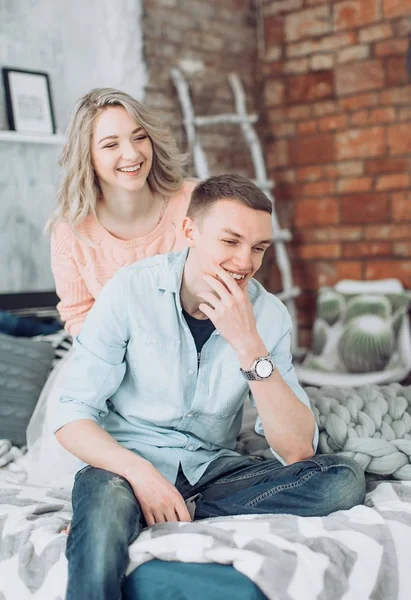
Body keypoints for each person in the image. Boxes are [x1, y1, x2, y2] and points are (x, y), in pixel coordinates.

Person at [53, 174, 366, 600]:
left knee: (342, 478)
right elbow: (70, 414)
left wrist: (248, 344)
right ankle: (131, 507)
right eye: (231, 241)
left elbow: (297, 451)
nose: (245, 262)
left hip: (210, 470)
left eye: (258, 248)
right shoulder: (129, 290)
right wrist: (141, 475)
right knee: (105, 502)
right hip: (125, 467)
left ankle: (168, 511)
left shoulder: (269, 316)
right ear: (189, 231)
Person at [25, 88, 196, 487]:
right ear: (88, 156)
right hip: (109, 366)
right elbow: (77, 313)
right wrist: (125, 362)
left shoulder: (194, 201)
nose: (132, 154)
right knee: (100, 469)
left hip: (189, 361)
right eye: (111, 144)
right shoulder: (70, 230)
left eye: (139, 137)